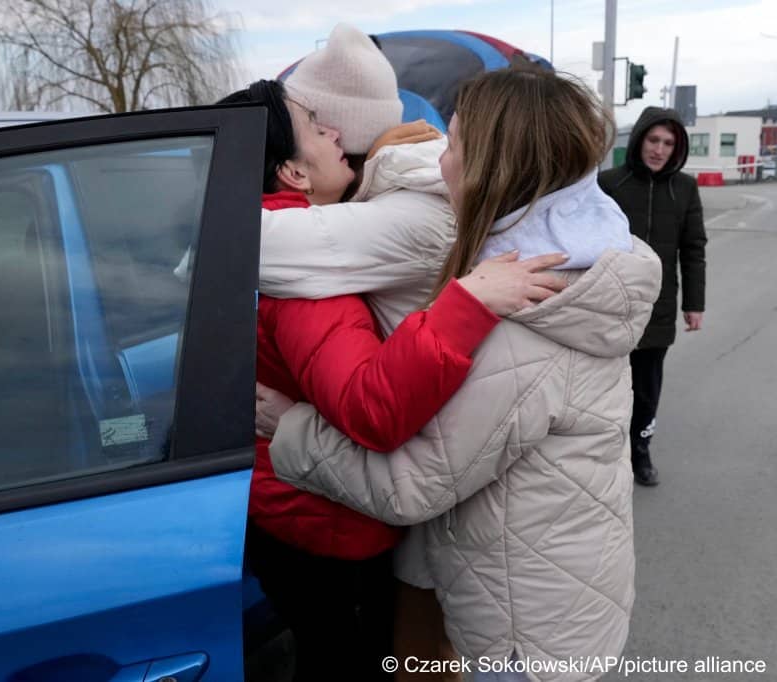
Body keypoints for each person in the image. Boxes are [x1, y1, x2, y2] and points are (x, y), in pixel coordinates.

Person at [261, 65, 662, 681]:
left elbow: (412, 486)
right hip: (561, 591)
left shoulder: (519, 314)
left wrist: (288, 425)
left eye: (454, 146)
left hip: (525, 637)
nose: (440, 161)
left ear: (493, 171)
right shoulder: (575, 257)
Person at [221, 61, 570, 678]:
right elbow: (374, 409)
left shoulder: (324, 240)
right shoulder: (311, 277)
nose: (335, 133)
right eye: (314, 126)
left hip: (308, 508)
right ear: (292, 171)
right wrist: (467, 304)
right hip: (325, 522)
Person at [599, 107, 707, 487]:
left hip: (657, 310)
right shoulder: (609, 183)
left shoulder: (685, 189)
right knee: (605, 387)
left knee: (646, 389)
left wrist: (694, 304)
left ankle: (640, 452)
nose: (659, 150)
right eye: (653, 140)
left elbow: (693, 249)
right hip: (610, 306)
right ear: (640, 139)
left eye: (668, 143)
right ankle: (605, 455)